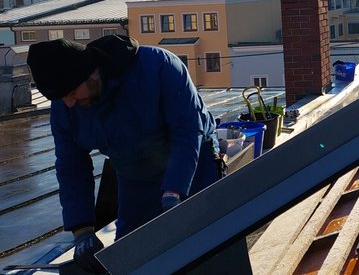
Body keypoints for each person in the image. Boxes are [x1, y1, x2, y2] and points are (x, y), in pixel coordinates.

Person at [27, 35, 223, 273]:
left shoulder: (158, 66)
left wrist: (175, 190)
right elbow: (72, 167)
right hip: (135, 174)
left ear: (90, 73)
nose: (69, 103)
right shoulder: (66, 106)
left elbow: (187, 132)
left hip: (194, 162)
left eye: (72, 92)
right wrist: (82, 230)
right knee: (131, 253)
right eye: (62, 98)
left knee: (204, 242)